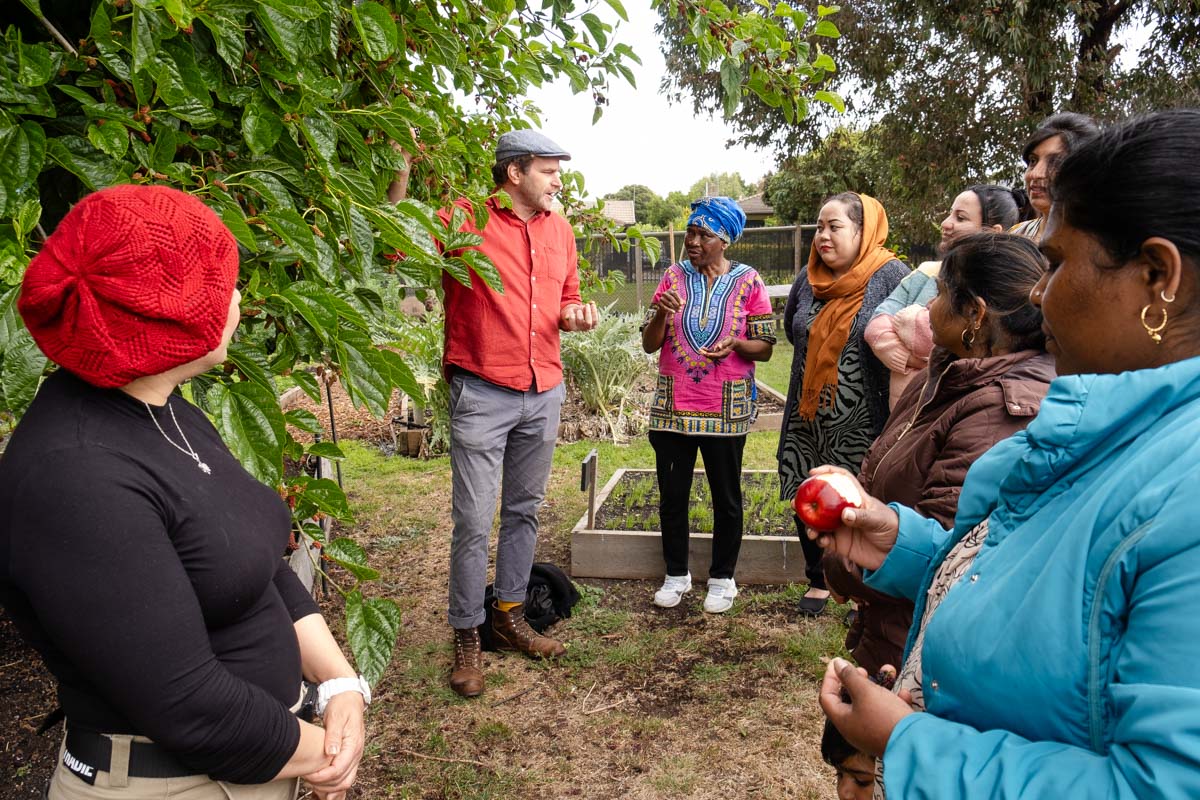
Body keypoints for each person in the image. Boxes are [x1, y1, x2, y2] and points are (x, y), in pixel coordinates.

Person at [814, 109, 1200, 798]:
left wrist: (910, 744)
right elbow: (1049, 590)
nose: (1040, 294)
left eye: (1054, 263)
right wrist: (903, 545)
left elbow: (1162, 785)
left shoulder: (1184, 495)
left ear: (1157, 277)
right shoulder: (1103, 433)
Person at [0, 185, 365, 799]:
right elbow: (192, 707)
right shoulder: (75, 477)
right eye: (220, 285)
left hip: (263, 759)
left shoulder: (166, 411)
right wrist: (330, 750)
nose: (239, 298)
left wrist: (338, 683)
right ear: (167, 316)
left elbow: (251, 559)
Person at [824, 232, 1055, 675]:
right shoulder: (948, 374)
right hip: (892, 629)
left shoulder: (1000, 409)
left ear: (975, 314)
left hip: (924, 655)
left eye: (941, 293)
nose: (927, 307)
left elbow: (949, 551)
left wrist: (843, 563)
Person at [440, 130, 598, 698]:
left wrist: (575, 316)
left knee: (524, 511)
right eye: (549, 170)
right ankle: (466, 633)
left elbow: (568, 297)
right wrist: (403, 172)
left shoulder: (560, 229)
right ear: (514, 173)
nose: (558, 180)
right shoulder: (463, 219)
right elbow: (397, 244)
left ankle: (509, 616)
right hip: (482, 391)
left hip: (543, 389)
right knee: (474, 521)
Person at [640, 197, 775, 613]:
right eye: (690, 233)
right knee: (672, 494)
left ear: (725, 240)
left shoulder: (749, 282)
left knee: (726, 496)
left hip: (726, 405)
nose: (693, 241)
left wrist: (736, 343)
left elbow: (766, 348)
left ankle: (722, 578)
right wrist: (661, 315)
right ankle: (676, 574)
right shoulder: (673, 276)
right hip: (674, 406)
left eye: (704, 235)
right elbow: (649, 344)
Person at [778, 192, 908, 617]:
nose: (823, 236)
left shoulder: (891, 276)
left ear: (862, 230)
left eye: (835, 227)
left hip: (864, 418)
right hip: (808, 412)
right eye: (819, 226)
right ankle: (818, 578)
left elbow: (907, 343)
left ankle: (861, 585)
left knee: (861, 499)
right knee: (806, 488)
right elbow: (793, 327)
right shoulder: (808, 277)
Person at [865, 185, 1030, 408]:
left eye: (960, 218)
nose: (945, 223)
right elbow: (877, 322)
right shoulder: (925, 271)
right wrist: (912, 359)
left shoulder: (1004, 289)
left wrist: (908, 324)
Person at [1008, 112, 1098, 242]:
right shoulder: (1015, 237)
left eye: (1055, 162)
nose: (1035, 174)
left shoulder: (1108, 243)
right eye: (1033, 161)